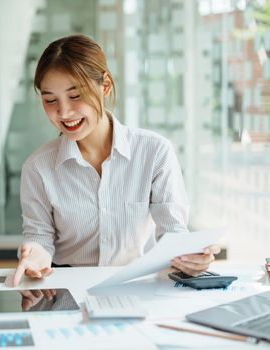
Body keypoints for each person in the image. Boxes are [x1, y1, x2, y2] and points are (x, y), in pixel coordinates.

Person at [12, 34, 219, 286]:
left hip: (138, 285)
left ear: (105, 85)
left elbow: (173, 234)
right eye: (50, 100)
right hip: (66, 288)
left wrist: (191, 258)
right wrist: (35, 255)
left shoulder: (154, 152)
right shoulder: (38, 167)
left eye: (75, 95)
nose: (64, 112)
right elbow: (39, 237)